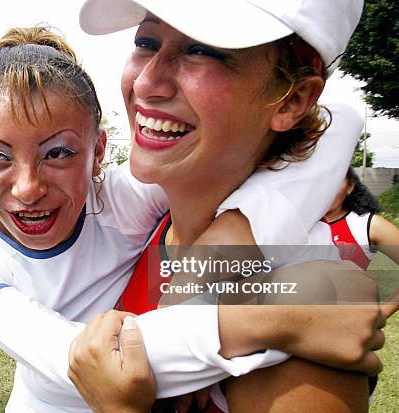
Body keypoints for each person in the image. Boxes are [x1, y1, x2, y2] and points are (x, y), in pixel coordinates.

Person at [0, 25, 383, 413]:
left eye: (59, 152)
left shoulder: (122, 198)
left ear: (98, 152)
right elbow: (79, 364)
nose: (27, 188)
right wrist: (277, 319)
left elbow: (339, 118)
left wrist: (235, 232)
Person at [70, 0, 389, 412]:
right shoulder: (145, 231)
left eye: (202, 50)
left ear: (293, 100)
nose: (148, 82)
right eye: (146, 42)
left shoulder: (303, 342)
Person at [325, 167, 399, 270]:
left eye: (334, 181)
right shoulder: (298, 223)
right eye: (318, 181)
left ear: (350, 186)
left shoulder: (370, 225)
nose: (325, 189)